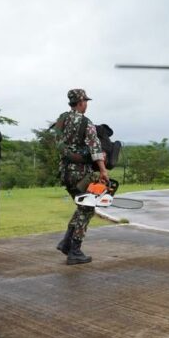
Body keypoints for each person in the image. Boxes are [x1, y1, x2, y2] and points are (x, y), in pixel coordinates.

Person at [53, 88, 109, 265]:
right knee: (87, 209)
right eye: (85, 102)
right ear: (80, 102)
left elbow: (58, 143)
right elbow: (95, 148)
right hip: (80, 173)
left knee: (81, 207)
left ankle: (66, 243)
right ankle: (75, 251)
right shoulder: (86, 123)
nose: (86, 105)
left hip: (65, 172)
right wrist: (103, 170)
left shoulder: (62, 119)